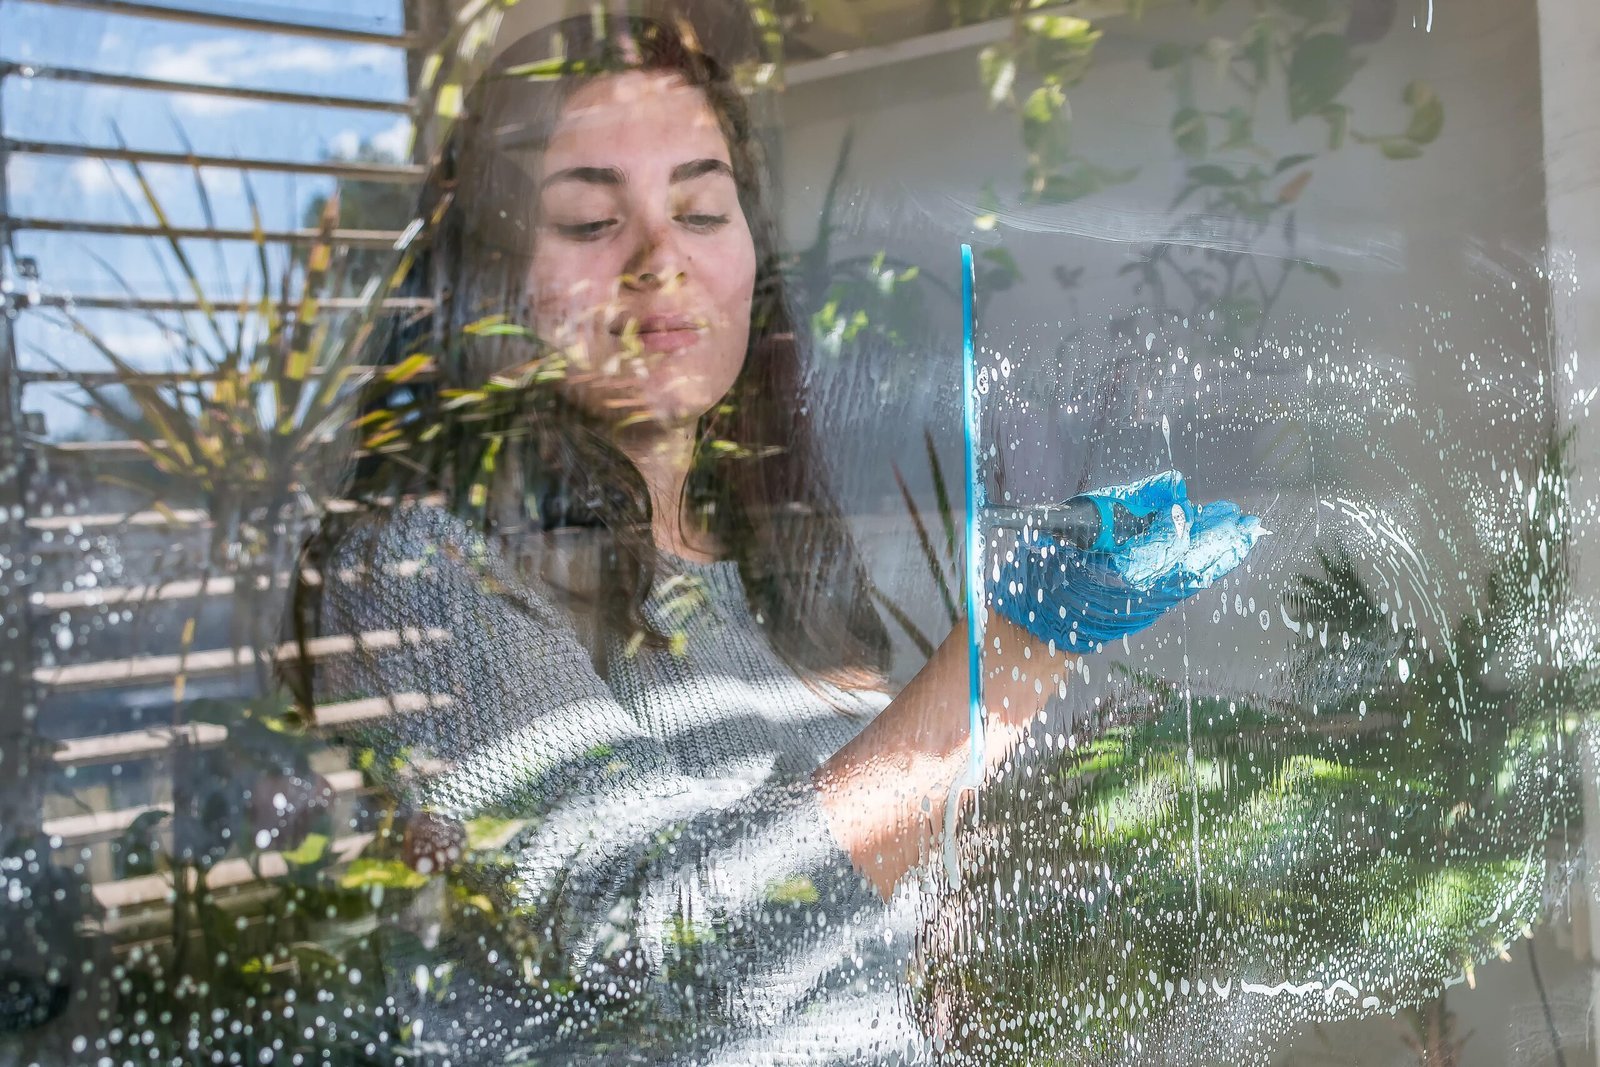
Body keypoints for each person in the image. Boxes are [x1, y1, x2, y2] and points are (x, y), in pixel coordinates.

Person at [310, 9, 1259, 1063]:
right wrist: (1017, 654)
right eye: (589, 222)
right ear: (490, 277)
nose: (659, 258)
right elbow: (672, 954)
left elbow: (863, 899)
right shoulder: (423, 566)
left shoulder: (761, 553)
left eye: (703, 209)